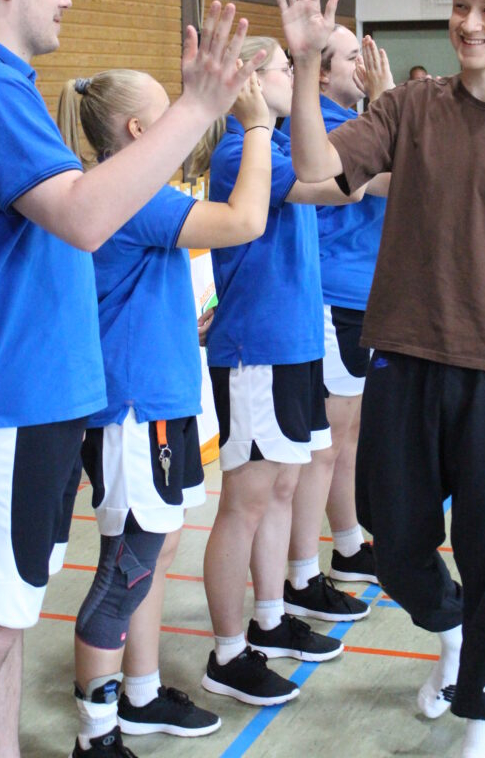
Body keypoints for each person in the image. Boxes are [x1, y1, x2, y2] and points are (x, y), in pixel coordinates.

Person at [274, 0, 485, 758]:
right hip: (404, 357)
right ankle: (449, 629)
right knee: (391, 543)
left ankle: (481, 716)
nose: (469, 23)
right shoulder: (411, 107)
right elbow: (315, 168)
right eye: (460, 5)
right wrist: (307, 63)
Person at [0, 0, 260, 758]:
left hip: (37, 402)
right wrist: (197, 107)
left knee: (6, 621)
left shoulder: (3, 87)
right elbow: (85, 216)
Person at [56, 67, 272, 757]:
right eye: (170, 106)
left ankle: (140, 695)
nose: (186, 113)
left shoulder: (128, 190)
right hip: (133, 408)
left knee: (155, 549)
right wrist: (257, 124)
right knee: (126, 568)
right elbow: (246, 220)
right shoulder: (132, 193)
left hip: (156, 401)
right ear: (138, 130)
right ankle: (97, 735)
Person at [191, 37, 367, 707]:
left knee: (284, 488)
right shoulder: (243, 150)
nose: (297, 77)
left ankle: (268, 619)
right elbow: (339, 187)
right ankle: (227, 653)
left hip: (293, 346)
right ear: (248, 82)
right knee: (245, 502)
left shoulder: (278, 145)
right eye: (285, 69)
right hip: (256, 350)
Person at [283, 26, 391, 598]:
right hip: (333, 297)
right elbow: (394, 179)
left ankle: (347, 546)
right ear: (321, 72)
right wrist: (390, 102)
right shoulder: (320, 126)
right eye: (354, 57)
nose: (365, 64)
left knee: (348, 439)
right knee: (322, 447)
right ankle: (301, 572)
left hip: (363, 298)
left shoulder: (357, 119)